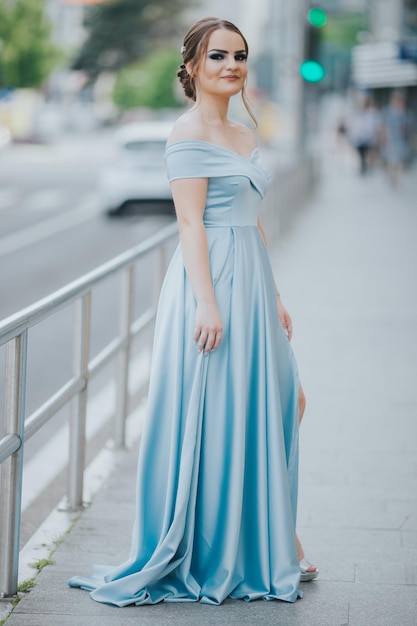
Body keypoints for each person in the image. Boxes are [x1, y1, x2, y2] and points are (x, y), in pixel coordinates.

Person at [68, 17, 317, 606]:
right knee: (224, 410)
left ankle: (268, 536)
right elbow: (189, 224)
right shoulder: (186, 135)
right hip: (212, 283)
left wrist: (275, 295)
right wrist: (207, 302)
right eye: (218, 56)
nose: (231, 65)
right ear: (192, 67)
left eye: (240, 55)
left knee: (284, 399)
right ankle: (261, 544)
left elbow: (252, 217)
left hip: (252, 276)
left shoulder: (244, 135)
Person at [381, 91, 414, 186]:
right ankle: (392, 177)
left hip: (401, 142)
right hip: (390, 141)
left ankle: (395, 178)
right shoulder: (387, 112)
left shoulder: (406, 113)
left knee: (398, 162)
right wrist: (384, 136)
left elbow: (410, 127)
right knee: (391, 160)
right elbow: (382, 125)